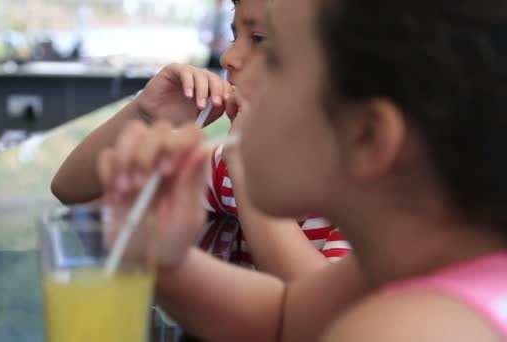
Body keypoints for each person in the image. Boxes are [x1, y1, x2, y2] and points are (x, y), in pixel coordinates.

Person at [98, 0, 507, 340]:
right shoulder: (414, 264)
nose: (236, 67)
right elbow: (283, 319)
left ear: (365, 136)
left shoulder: (403, 330)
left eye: (274, 56)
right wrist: (166, 260)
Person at [52, 0, 348, 280]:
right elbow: (81, 199)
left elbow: (324, 308)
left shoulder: (369, 192)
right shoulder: (225, 171)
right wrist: (145, 114)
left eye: (259, 38)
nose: (228, 58)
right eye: (235, 36)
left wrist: (248, 169)